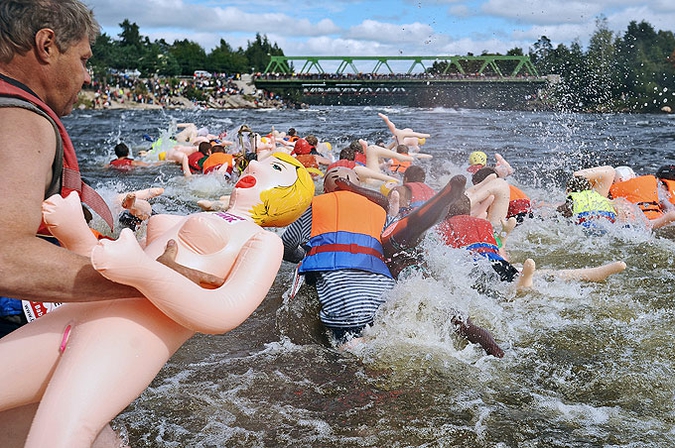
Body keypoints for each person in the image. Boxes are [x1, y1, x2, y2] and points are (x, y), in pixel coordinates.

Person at [0, 152, 315, 448]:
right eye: (257, 163)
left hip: (126, 340)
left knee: (56, 437)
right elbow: (115, 271)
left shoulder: (264, 241)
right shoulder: (197, 216)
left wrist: (144, 273)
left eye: (276, 169)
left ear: (294, 195)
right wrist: (77, 235)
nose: (254, 167)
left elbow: (224, 313)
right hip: (74, 313)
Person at [281, 167, 397, 345]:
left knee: (346, 346)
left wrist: (307, 257)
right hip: (384, 292)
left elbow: (286, 244)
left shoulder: (315, 205)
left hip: (340, 296)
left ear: (325, 189)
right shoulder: (380, 212)